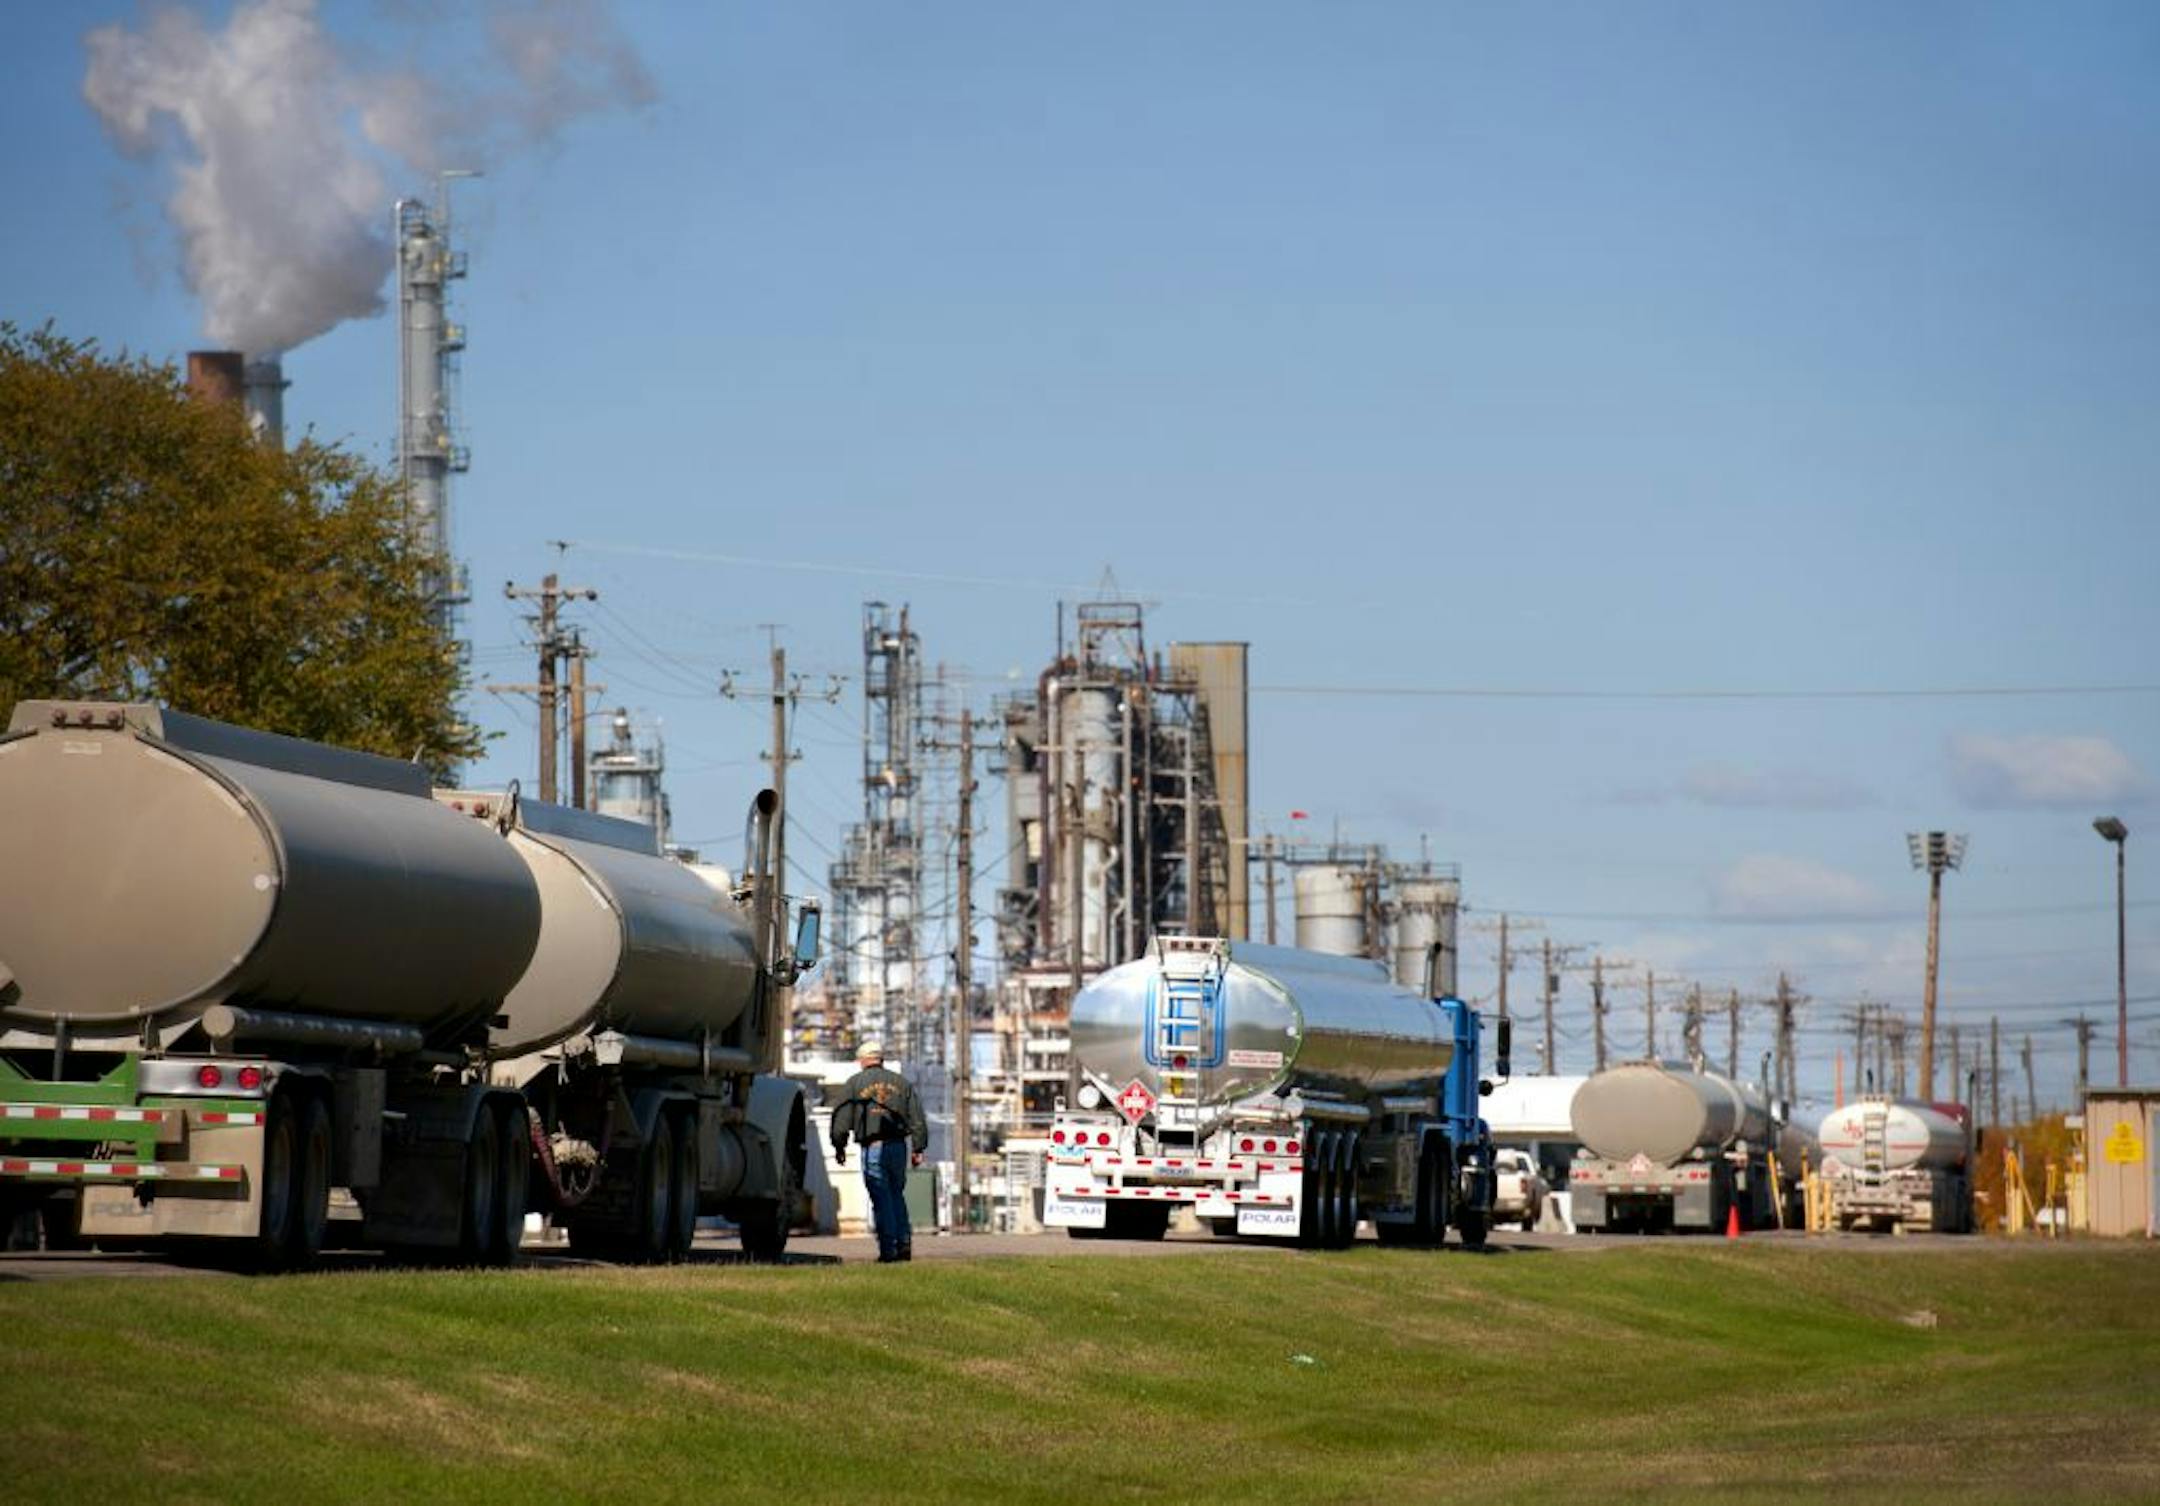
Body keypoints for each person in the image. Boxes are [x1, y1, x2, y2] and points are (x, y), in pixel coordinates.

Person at [831, 1040, 927, 1263]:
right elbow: (917, 1118)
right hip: (898, 1147)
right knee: (896, 1195)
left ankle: (888, 1250)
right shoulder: (902, 1083)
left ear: (863, 1060)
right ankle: (904, 1244)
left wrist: (839, 1146)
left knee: (881, 1198)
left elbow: (841, 1120)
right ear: (880, 1059)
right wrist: (918, 1147)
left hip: (874, 1147)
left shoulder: (854, 1084)